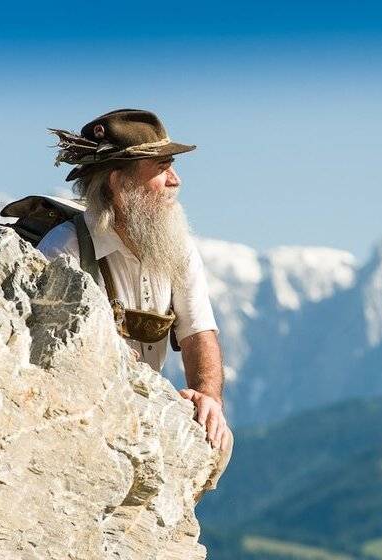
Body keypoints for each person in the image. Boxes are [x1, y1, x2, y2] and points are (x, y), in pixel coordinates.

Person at [37, 109, 232, 458]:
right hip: (78, 418)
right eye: (161, 168)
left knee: (217, 437)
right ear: (118, 181)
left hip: (145, 411)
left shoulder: (177, 246)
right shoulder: (63, 250)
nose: (176, 180)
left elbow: (198, 332)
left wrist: (208, 397)